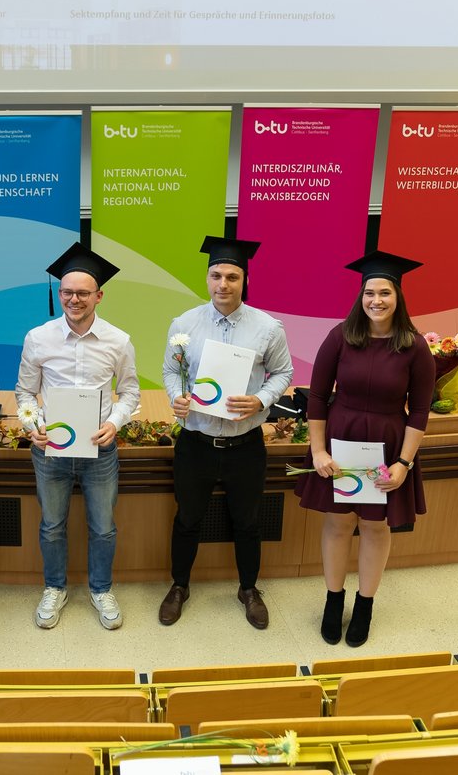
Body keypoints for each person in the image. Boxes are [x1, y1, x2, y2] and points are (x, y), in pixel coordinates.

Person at [295, 251, 436, 647]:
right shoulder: (340, 337)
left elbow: (420, 410)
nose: (376, 300)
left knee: (375, 525)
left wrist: (404, 463)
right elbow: (318, 397)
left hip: (388, 447)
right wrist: (319, 452)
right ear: (360, 296)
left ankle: (366, 604)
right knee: (338, 522)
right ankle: (333, 599)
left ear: (398, 297)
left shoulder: (414, 346)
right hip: (340, 442)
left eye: (385, 293)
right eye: (369, 292)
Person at [159, 236, 293, 629]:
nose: (223, 284)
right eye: (216, 275)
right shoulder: (184, 324)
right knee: (187, 519)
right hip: (195, 441)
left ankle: (249, 589)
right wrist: (177, 397)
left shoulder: (268, 328)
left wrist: (262, 400)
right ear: (207, 278)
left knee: (248, 521)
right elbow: (170, 370)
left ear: (244, 279)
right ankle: (179, 586)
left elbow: (283, 372)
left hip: (244, 445)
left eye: (232, 277)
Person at [15, 243, 139, 631]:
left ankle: (101, 590)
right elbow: (23, 392)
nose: (74, 299)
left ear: (99, 296)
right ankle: (55, 587)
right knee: (52, 525)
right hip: (50, 451)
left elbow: (131, 391)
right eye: (67, 292)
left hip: (100, 450)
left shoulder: (118, 340)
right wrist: (31, 425)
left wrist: (115, 423)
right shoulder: (39, 338)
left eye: (83, 292)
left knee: (103, 526)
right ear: (59, 293)